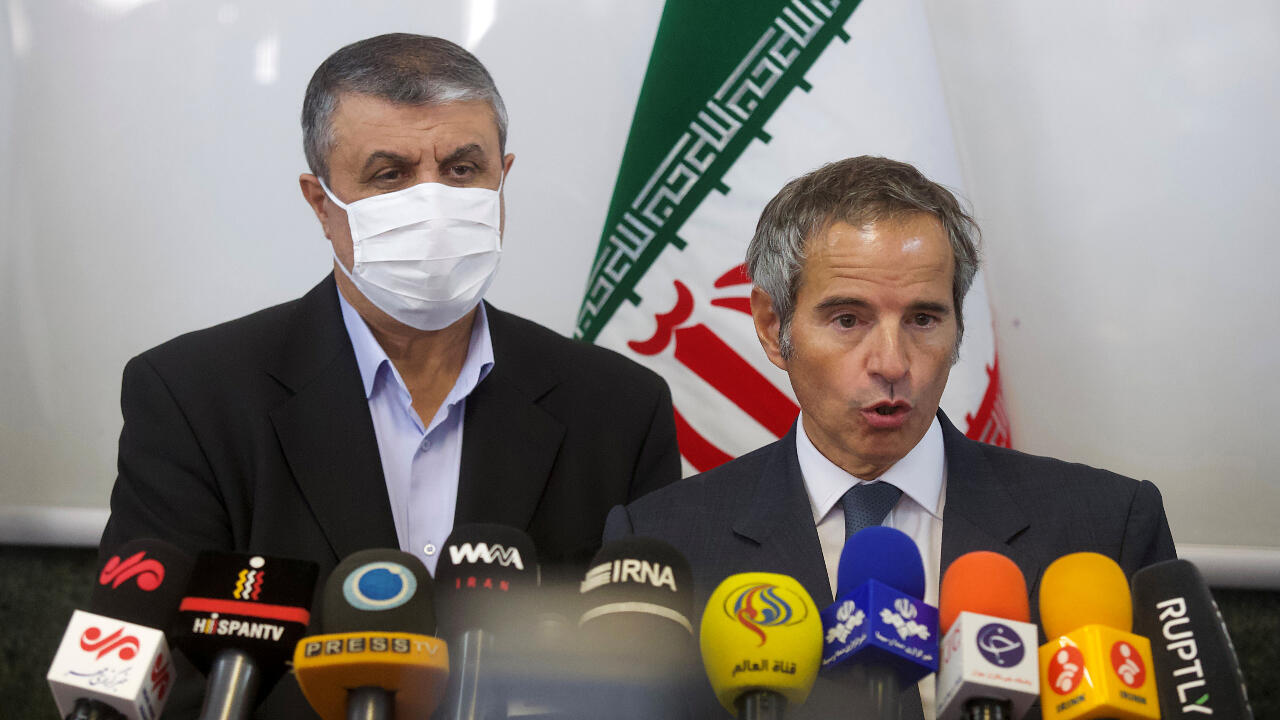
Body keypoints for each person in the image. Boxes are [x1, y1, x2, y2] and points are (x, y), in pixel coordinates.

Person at [100, 33, 681, 718]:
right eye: (390, 175)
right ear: (321, 204)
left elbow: (647, 669)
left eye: (462, 169)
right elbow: (160, 674)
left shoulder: (618, 408)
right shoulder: (193, 397)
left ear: (502, 179)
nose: (432, 203)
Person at [604, 156, 1175, 719]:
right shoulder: (664, 545)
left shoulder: (1107, 528)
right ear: (773, 327)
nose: (893, 363)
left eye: (923, 319)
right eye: (848, 319)